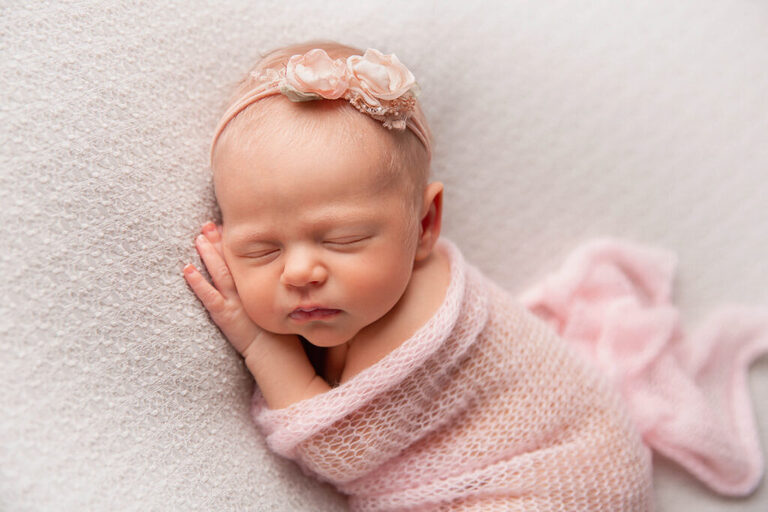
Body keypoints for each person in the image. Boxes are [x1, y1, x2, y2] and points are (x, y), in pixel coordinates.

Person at [182, 40, 767, 510]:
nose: (303, 271)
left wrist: (258, 339)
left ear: (425, 225)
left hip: (560, 489)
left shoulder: (418, 324)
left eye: (345, 240)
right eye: (260, 250)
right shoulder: (371, 295)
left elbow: (342, 446)